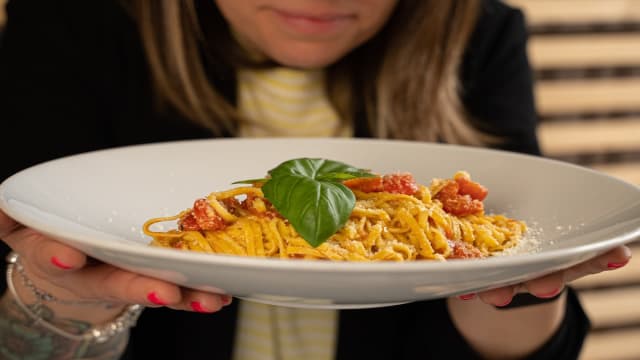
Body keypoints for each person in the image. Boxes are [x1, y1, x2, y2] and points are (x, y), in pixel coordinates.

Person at [0, 0, 632, 359]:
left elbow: (525, 344)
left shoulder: (477, 34)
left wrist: (510, 281)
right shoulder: (70, 27)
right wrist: (70, 306)